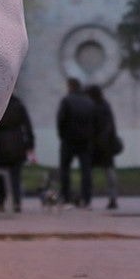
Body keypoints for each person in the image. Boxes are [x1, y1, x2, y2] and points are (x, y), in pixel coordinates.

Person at [0, 94, 34, 213]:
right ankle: (17, 202)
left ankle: (1, 203)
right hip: (18, 143)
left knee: (1, 176)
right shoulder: (19, 105)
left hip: (1, 145)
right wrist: (30, 145)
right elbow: (28, 126)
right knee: (15, 176)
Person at [54, 77, 98, 208]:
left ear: (70, 87)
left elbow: (60, 120)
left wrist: (62, 136)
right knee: (86, 171)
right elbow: (95, 122)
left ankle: (66, 198)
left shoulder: (66, 100)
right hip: (85, 141)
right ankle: (86, 199)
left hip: (68, 140)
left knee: (65, 170)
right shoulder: (89, 102)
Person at [85, 84, 123, 209]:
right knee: (109, 173)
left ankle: (87, 198)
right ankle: (112, 198)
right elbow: (110, 126)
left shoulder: (93, 107)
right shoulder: (105, 106)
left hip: (98, 145)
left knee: (91, 173)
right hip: (105, 146)